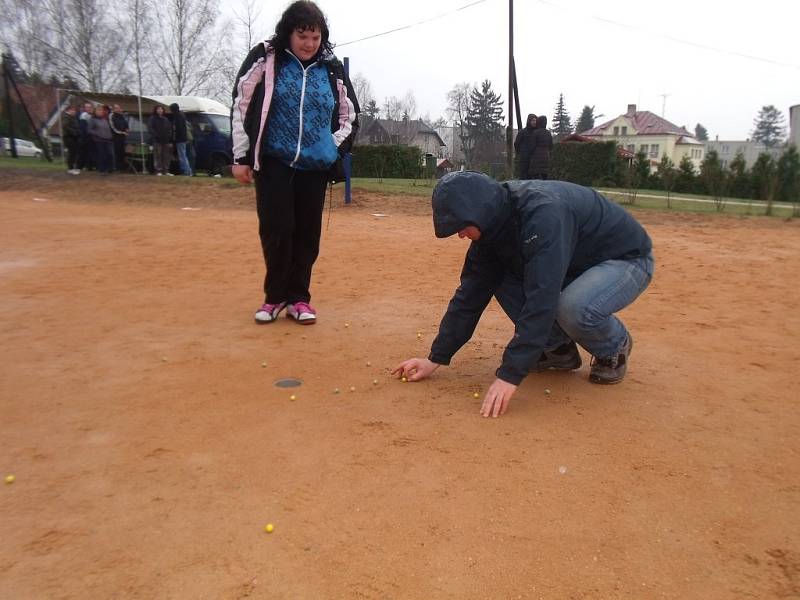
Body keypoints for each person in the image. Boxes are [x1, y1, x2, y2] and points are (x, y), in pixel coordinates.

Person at [392, 171, 654, 418]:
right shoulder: (490, 231)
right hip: (575, 264)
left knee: (571, 307)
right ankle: (557, 350)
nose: (460, 235)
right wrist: (435, 358)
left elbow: (543, 296)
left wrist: (510, 375)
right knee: (500, 279)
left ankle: (613, 346)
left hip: (625, 261)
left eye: (461, 226)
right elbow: (469, 296)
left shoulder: (543, 215)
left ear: (478, 211)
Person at [231, 0, 359, 325]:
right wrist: (241, 156)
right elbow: (243, 104)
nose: (309, 44)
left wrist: (332, 152)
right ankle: (275, 297)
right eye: (302, 36)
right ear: (289, 32)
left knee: (306, 234)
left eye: (315, 38)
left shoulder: (331, 68)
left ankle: (300, 298)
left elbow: (350, 116)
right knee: (277, 229)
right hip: (274, 160)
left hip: (314, 166)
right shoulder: (266, 57)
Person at [87, 105, 113, 174]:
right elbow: (89, 130)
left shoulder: (104, 119)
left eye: (101, 110)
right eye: (99, 110)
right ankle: (102, 169)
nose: (101, 111)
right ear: (95, 111)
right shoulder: (92, 120)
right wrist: (97, 133)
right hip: (99, 140)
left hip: (108, 139)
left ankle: (109, 168)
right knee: (102, 155)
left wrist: (110, 135)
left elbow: (108, 129)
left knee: (109, 154)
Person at [148, 105, 172, 176]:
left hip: (166, 140)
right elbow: (150, 128)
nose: (160, 110)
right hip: (157, 140)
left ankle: (166, 170)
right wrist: (156, 135)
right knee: (158, 155)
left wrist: (169, 140)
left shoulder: (165, 119)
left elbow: (169, 130)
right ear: (155, 110)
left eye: (161, 109)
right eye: (158, 109)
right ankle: (158, 170)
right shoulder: (152, 119)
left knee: (166, 156)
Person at [169, 102, 192, 176]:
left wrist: (175, 138)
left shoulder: (178, 117)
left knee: (182, 155)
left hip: (180, 139)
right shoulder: (182, 115)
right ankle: (186, 171)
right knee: (183, 155)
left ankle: (187, 171)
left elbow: (179, 129)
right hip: (183, 138)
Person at [528, 115, 553, 180]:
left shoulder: (535, 133)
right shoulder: (548, 133)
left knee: (536, 178)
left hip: (536, 158)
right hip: (546, 157)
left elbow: (531, 146)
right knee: (545, 177)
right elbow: (551, 146)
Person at [513, 113, 537, 179]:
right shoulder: (522, 132)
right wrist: (520, 152)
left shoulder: (536, 132)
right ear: (529, 121)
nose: (534, 122)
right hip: (524, 158)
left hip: (533, 159)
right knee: (523, 176)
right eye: (533, 120)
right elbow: (516, 143)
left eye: (535, 121)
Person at [109, 104, 129, 172]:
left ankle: (122, 168)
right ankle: (116, 167)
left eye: (119, 108)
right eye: (116, 108)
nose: (117, 109)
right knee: (116, 153)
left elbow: (126, 124)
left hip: (123, 138)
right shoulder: (111, 115)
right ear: (113, 109)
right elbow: (112, 127)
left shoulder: (122, 116)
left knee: (122, 153)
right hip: (115, 137)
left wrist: (127, 129)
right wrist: (121, 132)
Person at [62, 105, 81, 175]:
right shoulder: (66, 117)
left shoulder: (73, 118)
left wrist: (78, 132)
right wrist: (74, 132)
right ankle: (70, 168)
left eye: (74, 110)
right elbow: (65, 126)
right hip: (69, 137)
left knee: (74, 153)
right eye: (72, 110)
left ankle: (73, 168)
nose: (74, 112)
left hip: (74, 137)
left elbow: (76, 126)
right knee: (72, 153)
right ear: (69, 110)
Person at [78, 102, 94, 170]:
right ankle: (80, 166)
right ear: (85, 108)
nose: (89, 108)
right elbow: (83, 127)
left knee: (89, 152)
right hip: (84, 137)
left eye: (90, 107)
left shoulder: (91, 116)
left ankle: (88, 166)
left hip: (90, 137)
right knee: (82, 152)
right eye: (87, 107)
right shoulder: (83, 115)